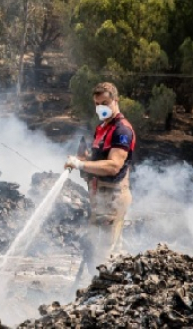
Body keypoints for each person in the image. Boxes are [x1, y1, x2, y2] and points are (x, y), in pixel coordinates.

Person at [64, 82, 136, 275]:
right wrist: (84, 159)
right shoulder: (102, 128)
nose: (100, 108)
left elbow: (113, 166)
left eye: (105, 102)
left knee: (103, 255)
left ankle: (104, 293)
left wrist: (81, 165)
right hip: (99, 198)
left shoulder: (122, 131)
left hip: (112, 199)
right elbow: (99, 160)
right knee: (102, 251)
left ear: (116, 100)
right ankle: (114, 288)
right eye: (97, 104)